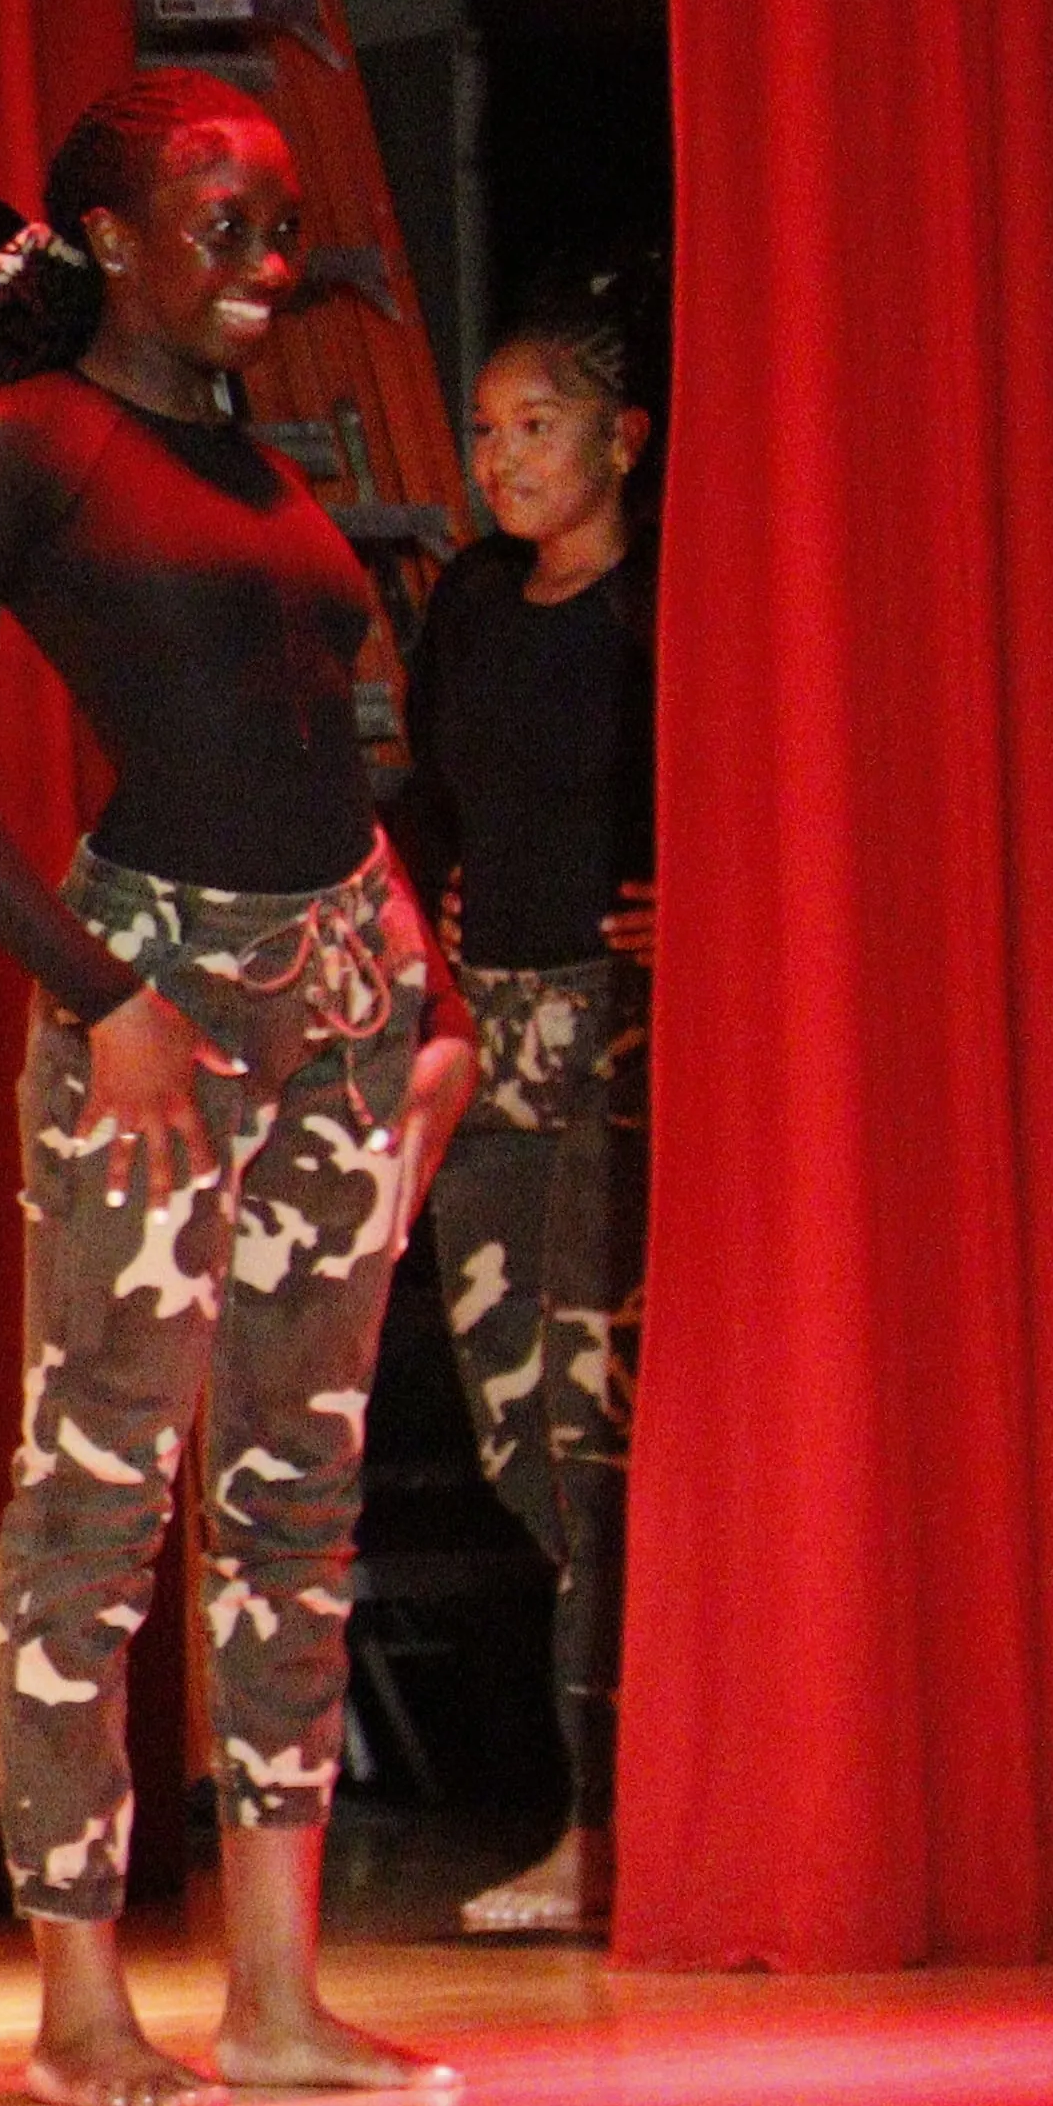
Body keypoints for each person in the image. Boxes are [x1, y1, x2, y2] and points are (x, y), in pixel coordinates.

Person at [0, 74, 476, 2106]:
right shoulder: (23, 444)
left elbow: (322, 749)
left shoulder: (259, 467)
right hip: (159, 999)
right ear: (113, 239)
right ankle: (80, 2007)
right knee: (99, 1490)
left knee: (300, 1492)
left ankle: (279, 1998)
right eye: (226, 225)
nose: (267, 261)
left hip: (348, 988)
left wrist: (420, 979)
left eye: (282, 226)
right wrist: (97, 987)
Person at [390, 277, 658, 1937]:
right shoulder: (478, 603)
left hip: (623, 1045)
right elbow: (432, 794)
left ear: (623, 440)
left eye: (536, 426)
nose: (502, 460)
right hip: (496, 1037)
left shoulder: (661, 607)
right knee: (516, 1437)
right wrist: (428, 919)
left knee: (593, 1430)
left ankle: (606, 1827)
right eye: (485, 432)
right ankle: (638, 1784)